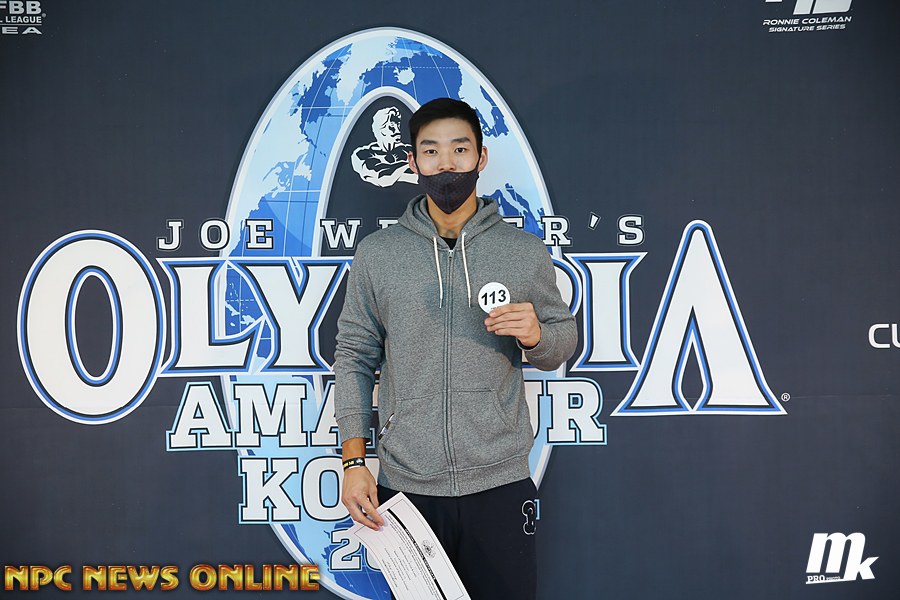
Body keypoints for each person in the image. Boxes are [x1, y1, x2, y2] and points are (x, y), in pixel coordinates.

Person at [334, 97, 576, 599]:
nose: (446, 164)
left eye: (459, 150)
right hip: (408, 488)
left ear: (481, 157)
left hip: (499, 483)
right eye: (431, 151)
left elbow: (559, 344)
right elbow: (354, 356)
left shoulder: (522, 251)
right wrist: (354, 464)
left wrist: (536, 335)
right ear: (412, 162)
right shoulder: (379, 254)